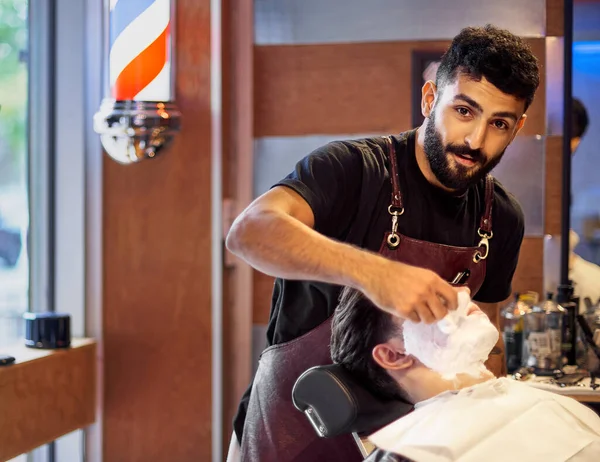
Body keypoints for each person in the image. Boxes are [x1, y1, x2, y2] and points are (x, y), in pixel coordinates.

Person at [226, 24, 540, 461]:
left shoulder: (501, 218)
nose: (475, 141)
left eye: (499, 123)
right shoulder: (353, 170)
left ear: (518, 127)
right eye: (464, 111)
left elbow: (482, 349)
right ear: (430, 98)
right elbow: (249, 232)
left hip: (406, 446)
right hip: (289, 435)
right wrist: (377, 273)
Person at [331, 286, 600, 462]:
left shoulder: (545, 400)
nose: (463, 291)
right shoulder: (411, 453)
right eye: (428, 301)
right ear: (394, 355)